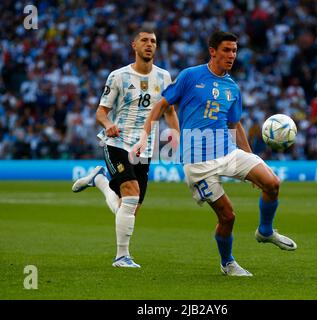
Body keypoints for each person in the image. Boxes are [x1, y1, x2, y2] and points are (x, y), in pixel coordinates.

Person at [132, 31, 297, 277]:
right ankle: (227, 262)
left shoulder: (232, 87)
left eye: (234, 51)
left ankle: (265, 231)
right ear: (213, 51)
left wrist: (252, 158)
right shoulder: (190, 76)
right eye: (227, 50)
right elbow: (161, 105)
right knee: (228, 217)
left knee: (272, 183)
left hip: (228, 151)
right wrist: (145, 135)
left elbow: (235, 125)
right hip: (197, 163)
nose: (231, 55)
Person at [72, 28, 179, 268]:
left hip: (144, 148)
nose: (149, 44)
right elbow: (101, 111)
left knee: (127, 208)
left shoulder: (164, 77)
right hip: (117, 143)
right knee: (130, 194)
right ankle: (122, 256)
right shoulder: (118, 76)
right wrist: (108, 125)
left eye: (153, 40)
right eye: (144, 40)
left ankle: (99, 180)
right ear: (134, 45)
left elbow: (170, 111)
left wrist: (176, 136)